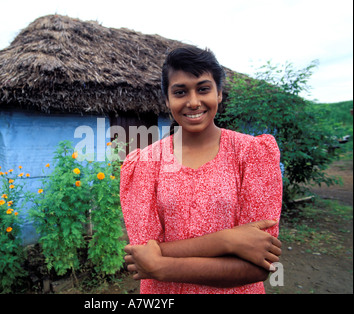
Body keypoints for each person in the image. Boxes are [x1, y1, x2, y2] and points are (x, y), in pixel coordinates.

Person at [120, 46, 283, 294]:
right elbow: (143, 256)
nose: (193, 102)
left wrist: (162, 267)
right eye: (180, 92)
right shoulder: (145, 163)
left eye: (203, 89)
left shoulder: (252, 154)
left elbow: (258, 266)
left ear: (219, 94)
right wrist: (228, 241)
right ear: (167, 100)